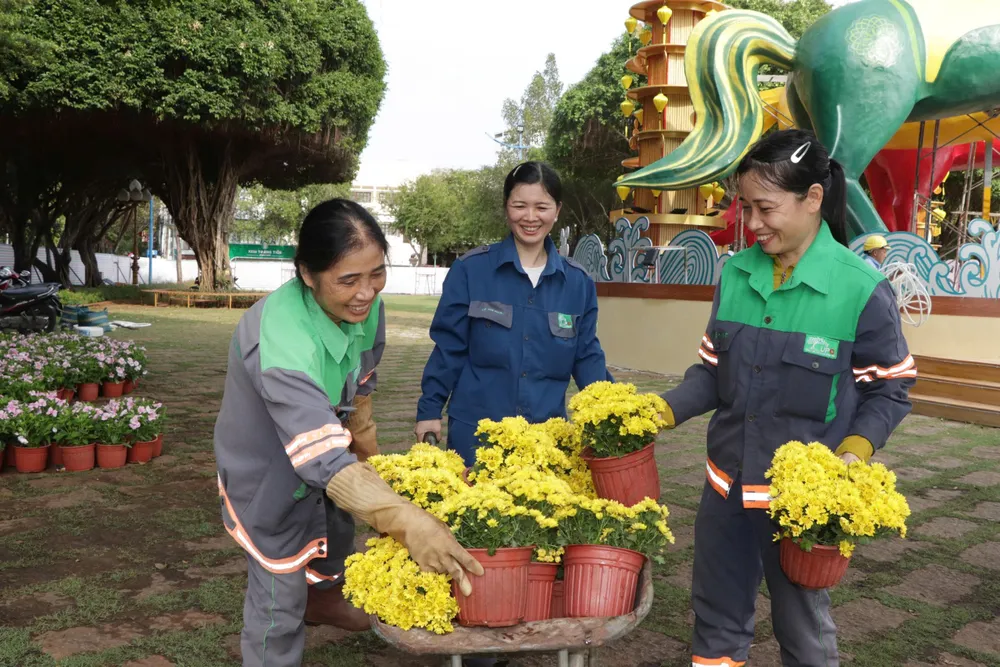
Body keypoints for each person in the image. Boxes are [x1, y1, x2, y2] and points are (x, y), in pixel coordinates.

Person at [661, 130, 916, 667]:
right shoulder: (735, 274)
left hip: (800, 506)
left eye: (766, 209)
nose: (751, 224)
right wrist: (662, 409)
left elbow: (889, 387)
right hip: (725, 488)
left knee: (802, 633)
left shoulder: (860, 288)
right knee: (715, 626)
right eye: (745, 207)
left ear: (813, 199)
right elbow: (713, 370)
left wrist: (855, 452)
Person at [214, 199, 483, 667]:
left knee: (336, 531)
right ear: (307, 274)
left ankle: (321, 601)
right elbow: (323, 458)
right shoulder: (281, 341)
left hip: (327, 450)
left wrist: (371, 459)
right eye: (348, 280)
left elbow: (359, 386)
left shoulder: (367, 310)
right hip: (267, 469)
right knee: (279, 590)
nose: (366, 293)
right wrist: (408, 522)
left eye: (377, 273)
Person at [414, 161, 612, 465]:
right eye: (520, 205)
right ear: (506, 208)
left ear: (557, 210)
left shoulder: (577, 283)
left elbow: (586, 356)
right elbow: (449, 349)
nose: (530, 217)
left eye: (542, 207)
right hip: (477, 436)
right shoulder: (471, 271)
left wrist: (613, 411)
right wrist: (429, 410)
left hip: (546, 439)